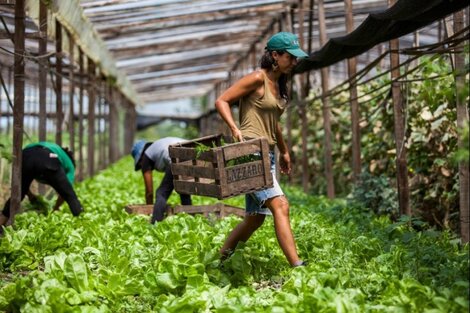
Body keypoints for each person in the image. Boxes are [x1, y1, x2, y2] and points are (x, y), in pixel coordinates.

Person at [215, 32, 308, 267]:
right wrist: (235, 128)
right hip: (250, 152)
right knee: (280, 204)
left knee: (255, 218)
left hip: (268, 154)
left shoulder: (279, 85)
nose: (295, 62)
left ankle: (220, 260)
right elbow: (222, 100)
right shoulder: (257, 78)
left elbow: (272, 123)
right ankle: (297, 266)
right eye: (291, 57)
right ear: (275, 55)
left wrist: (284, 151)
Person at [0, 142, 84, 226]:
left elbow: (22, 183)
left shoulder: (53, 148)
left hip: (25, 155)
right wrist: (56, 208)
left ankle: (1, 221)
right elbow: (65, 192)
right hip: (48, 158)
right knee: (71, 197)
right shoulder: (70, 165)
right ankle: (83, 223)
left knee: (18, 194)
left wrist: (30, 195)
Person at [131, 137, 192, 223]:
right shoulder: (155, 146)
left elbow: (149, 192)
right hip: (191, 155)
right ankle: (190, 219)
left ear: (140, 158)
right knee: (183, 190)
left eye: (140, 164)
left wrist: (149, 211)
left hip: (177, 158)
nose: (141, 165)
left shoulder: (146, 156)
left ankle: (155, 223)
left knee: (161, 193)